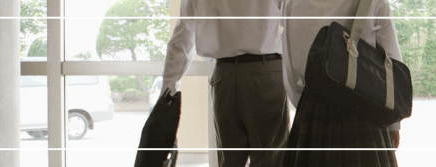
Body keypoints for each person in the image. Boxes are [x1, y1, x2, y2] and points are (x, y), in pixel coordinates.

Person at [162, 0, 290, 166]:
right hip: (266, 73)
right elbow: (294, 27)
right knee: (271, 159)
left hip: (225, 75)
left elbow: (182, 40)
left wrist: (168, 89)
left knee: (230, 159)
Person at [280, 0, 403, 166]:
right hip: (364, 106)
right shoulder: (375, 2)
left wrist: (305, 105)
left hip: (314, 106)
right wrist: (393, 124)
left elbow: (290, 62)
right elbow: (392, 62)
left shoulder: (291, 2)